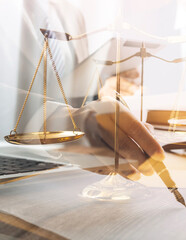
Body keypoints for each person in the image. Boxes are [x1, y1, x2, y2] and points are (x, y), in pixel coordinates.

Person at [0, 0, 164, 180]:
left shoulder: (70, 13)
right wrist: (56, 120)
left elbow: (70, 93)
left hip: (63, 172)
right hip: (9, 171)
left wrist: (103, 88)